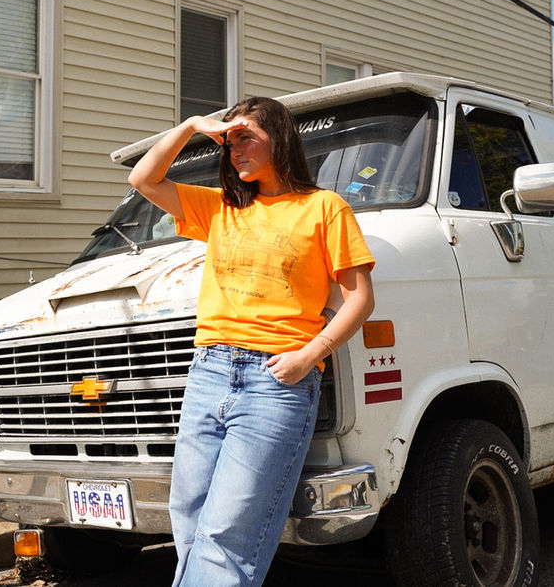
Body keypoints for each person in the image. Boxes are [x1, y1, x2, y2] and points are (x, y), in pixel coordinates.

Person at [128, 96, 375, 587]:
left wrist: (310, 355)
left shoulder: (324, 208)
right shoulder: (221, 207)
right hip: (209, 372)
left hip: (274, 383)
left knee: (228, 533)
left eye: (245, 137)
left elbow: (360, 300)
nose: (233, 149)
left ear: (278, 139)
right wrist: (194, 125)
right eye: (229, 140)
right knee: (190, 517)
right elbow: (143, 179)